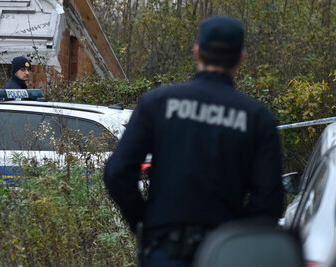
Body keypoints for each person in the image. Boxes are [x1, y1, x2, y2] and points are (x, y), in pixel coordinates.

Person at [103, 16, 284, 266]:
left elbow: (117, 172)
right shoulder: (257, 118)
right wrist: (236, 237)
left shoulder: (158, 103)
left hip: (164, 249)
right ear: (241, 57)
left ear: (197, 52)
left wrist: (143, 221)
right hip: (225, 254)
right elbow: (270, 200)